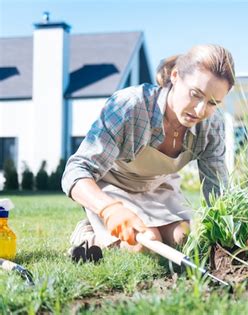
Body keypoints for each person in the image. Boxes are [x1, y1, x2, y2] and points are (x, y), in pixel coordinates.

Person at [61, 44, 235, 255]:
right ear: (175, 76)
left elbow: (218, 190)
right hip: (113, 185)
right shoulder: (130, 106)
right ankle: (90, 235)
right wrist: (109, 209)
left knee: (184, 238)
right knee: (145, 243)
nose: (200, 110)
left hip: (157, 187)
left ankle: (109, 232)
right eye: (195, 94)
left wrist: (233, 233)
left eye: (212, 102)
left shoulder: (211, 125)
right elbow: (76, 170)